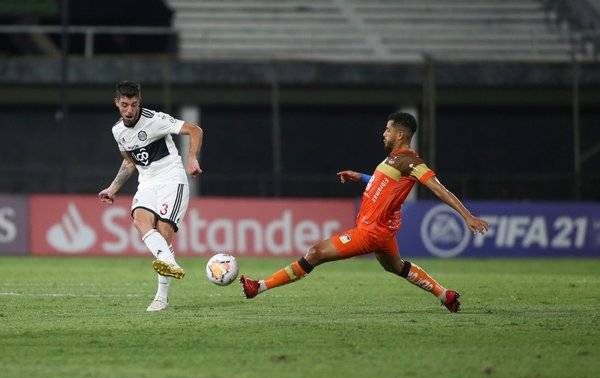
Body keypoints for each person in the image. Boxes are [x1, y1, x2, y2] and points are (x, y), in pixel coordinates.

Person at [240, 111, 487, 312]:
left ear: (400, 134)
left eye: (388, 130)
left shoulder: (410, 162)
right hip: (384, 232)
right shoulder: (393, 161)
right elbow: (383, 184)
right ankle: (445, 296)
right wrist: (360, 176)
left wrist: (466, 215)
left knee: (315, 253)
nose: (384, 134)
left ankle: (258, 287)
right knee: (397, 267)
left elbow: (437, 188)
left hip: (371, 232)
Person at [99, 80, 203, 312]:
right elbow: (129, 161)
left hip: (171, 178)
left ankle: (161, 298)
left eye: (134, 104)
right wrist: (112, 188)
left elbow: (194, 130)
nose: (129, 110)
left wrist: (192, 157)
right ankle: (170, 262)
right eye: (124, 104)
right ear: (117, 103)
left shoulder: (156, 120)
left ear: (139, 102)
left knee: (164, 232)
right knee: (139, 220)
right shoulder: (118, 131)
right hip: (147, 181)